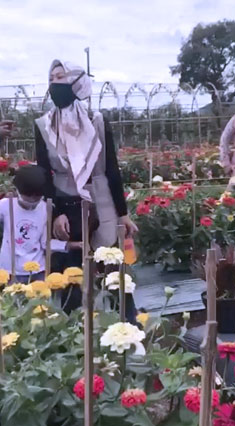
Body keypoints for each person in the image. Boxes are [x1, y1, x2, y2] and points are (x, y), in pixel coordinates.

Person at [34, 60, 138, 321]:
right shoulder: (43, 126)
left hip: (100, 200)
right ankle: (73, 332)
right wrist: (54, 212)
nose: (56, 83)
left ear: (76, 83)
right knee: (72, 272)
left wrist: (122, 213)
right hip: (66, 205)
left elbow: (112, 167)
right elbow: (44, 172)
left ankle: (128, 325)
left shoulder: (96, 121)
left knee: (113, 267)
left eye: (62, 77)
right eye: (52, 78)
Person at [0, 165, 80, 282]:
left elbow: (45, 243)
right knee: (13, 305)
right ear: (18, 190)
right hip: (11, 271)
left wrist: (71, 245)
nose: (32, 201)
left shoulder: (45, 208)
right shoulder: (6, 206)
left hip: (38, 272)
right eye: (28, 197)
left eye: (36, 197)